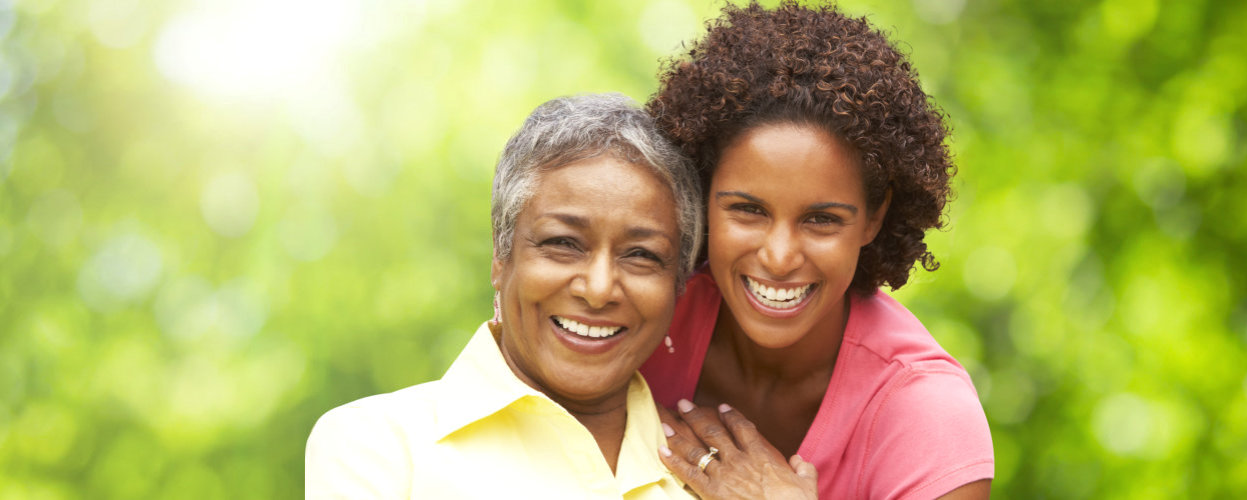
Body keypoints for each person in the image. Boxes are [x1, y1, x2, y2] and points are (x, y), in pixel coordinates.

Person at [639, 2, 995, 499]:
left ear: (873, 217)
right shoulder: (645, 317)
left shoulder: (926, 414)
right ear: (702, 195)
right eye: (748, 210)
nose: (780, 257)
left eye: (821, 220)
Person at [304, 93, 706, 499]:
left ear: (678, 283)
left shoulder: (720, 474)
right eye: (563, 242)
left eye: (641, 255)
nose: (599, 289)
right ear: (501, 257)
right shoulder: (380, 446)